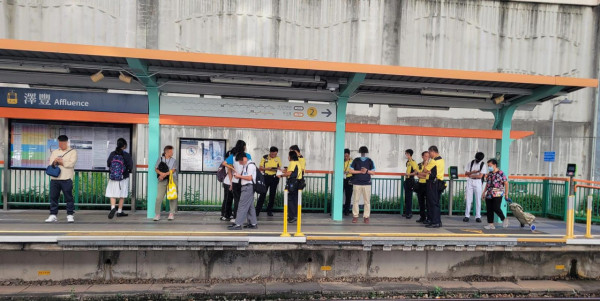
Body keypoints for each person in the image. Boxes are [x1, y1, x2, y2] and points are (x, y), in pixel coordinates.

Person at [45, 135, 78, 223]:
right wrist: (55, 162)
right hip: (55, 178)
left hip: (66, 178)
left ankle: (70, 215)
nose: (61, 144)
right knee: (53, 197)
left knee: (69, 198)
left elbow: (71, 164)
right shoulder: (55, 152)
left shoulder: (72, 152)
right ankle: (53, 215)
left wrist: (61, 162)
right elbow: (51, 163)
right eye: (60, 142)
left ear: (67, 142)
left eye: (63, 142)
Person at [228, 152, 258, 230]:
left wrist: (239, 176)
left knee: (242, 206)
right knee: (250, 207)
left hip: (248, 187)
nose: (240, 163)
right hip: (246, 187)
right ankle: (253, 223)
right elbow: (246, 176)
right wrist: (239, 176)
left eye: (240, 161)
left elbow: (249, 178)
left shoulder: (250, 165)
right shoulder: (246, 165)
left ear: (244, 159)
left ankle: (238, 224)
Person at [223, 140, 251, 222]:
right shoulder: (247, 155)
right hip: (244, 180)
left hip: (235, 180)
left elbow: (224, 163)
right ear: (244, 146)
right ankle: (244, 217)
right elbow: (249, 166)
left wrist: (232, 168)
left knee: (236, 200)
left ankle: (236, 217)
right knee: (245, 200)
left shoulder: (233, 156)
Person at [106, 138, 134, 219]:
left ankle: (113, 208)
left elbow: (108, 164)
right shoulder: (126, 155)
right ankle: (119, 211)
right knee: (122, 195)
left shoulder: (112, 153)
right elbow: (130, 166)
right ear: (124, 146)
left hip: (113, 177)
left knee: (112, 194)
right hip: (123, 177)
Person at [349, 146, 376, 224]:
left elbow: (373, 172)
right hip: (357, 183)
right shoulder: (356, 160)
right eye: (362, 152)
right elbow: (350, 171)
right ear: (360, 153)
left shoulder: (370, 161)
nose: (363, 153)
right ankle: (355, 216)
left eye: (364, 152)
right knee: (355, 200)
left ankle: (366, 217)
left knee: (367, 201)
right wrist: (360, 172)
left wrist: (366, 171)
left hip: (366, 183)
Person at [482, 159, 510, 230]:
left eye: (490, 166)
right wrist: (484, 192)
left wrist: (506, 194)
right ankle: (490, 224)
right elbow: (487, 184)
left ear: (495, 165)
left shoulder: (501, 173)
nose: (489, 167)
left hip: (498, 193)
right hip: (489, 193)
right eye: (488, 166)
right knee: (489, 209)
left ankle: (504, 219)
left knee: (496, 207)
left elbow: (506, 183)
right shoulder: (490, 174)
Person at [256, 146, 282, 217]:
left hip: (274, 177)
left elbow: (279, 168)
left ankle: (269, 210)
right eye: (273, 154)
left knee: (272, 195)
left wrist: (278, 173)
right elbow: (260, 168)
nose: (274, 156)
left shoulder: (278, 158)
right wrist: (267, 168)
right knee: (262, 194)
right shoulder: (265, 158)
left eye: (275, 154)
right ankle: (257, 210)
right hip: (266, 177)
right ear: (270, 152)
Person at [422, 145, 444, 228]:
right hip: (439, 182)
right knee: (436, 202)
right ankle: (436, 220)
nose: (429, 155)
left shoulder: (433, 160)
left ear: (432, 151)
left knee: (432, 203)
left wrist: (426, 161)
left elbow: (425, 170)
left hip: (432, 183)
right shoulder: (441, 160)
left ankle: (435, 221)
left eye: (429, 153)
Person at [154, 145, 178, 221]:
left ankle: (171, 213)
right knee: (159, 197)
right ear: (166, 152)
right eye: (171, 151)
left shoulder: (174, 160)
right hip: (162, 179)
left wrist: (164, 174)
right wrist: (161, 174)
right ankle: (157, 214)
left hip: (171, 179)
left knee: (172, 197)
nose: (172, 152)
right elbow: (156, 169)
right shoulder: (160, 159)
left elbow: (173, 170)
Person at [280, 150, 304, 223]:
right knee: (295, 199)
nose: (288, 157)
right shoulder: (298, 163)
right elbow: (291, 171)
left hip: (292, 183)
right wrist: (283, 171)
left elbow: (289, 173)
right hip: (298, 183)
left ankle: (291, 216)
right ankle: (295, 215)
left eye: (288, 156)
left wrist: (280, 175)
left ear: (291, 156)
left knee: (290, 199)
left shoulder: (292, 163)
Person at [463, 152, 487, 223]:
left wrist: (471, 175)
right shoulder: (470, 163)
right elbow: (466, 173)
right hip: (470, 181)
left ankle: (478, 216)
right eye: (476, 159)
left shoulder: (483, 165)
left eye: (478, 159)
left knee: (478, 199)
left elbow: (480, 176)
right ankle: (467, 215)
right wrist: (473, 172)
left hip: (478, 182)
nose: (477, 160)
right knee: (468, 199)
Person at [403, 149, 419, 219]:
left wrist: (408, 174)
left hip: (410, 180)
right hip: (407, 180)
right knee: (406, 197)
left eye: (406, 153)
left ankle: (409, 213)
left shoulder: (413, 162)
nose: (405, 155)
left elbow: (416, 172)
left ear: (409, 154)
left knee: (409, 197)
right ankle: (407, 212)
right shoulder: (408, 162)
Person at [219, 149, 234, 221]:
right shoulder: (229, 164)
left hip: (228, 182)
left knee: (229, 199)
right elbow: (230, 174)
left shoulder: (229, 163)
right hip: (228, 182)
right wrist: (231, 184)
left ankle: (228, 213)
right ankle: (224, 214)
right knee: (227, 199)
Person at [415, 151, 430, 224]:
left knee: (428, 202)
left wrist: (421, 174)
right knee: (421, 202)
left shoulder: (430, 165)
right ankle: (422, 217)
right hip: (420, 184)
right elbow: (417, 175)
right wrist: (423, 174)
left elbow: (427, 175)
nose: (427, 157)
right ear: (422, 156)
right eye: (425, 156)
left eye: (428, 156)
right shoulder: (419, 165)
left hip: (427, 184)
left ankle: (428, 217)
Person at [343, 148, 353, 216]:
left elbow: (354, 170)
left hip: (349, 178)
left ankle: (347, 211)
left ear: (349, 155)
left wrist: (348, 171)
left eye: (347, 156)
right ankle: (337, 209)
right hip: (341, 178)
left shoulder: (352, 161)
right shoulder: (341, 161)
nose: (346, 157)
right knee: (339, 194)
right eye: (345, 156)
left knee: (348, 196)